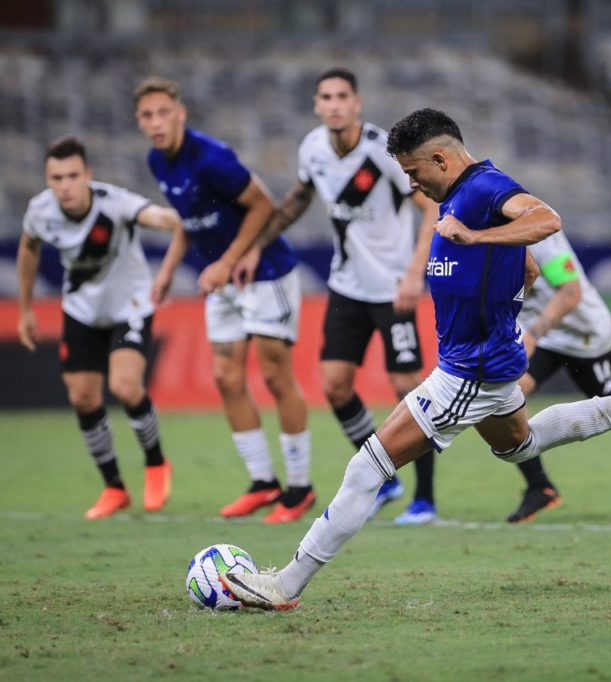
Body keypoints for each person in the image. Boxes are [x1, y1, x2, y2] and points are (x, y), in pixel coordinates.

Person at [220, 108, 611, 610]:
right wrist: (499, 296)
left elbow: (547, 220)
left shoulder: (482, 190)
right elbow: (531, 270)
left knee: (367, 469)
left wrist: (477, 242)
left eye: (413, 172)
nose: (411, 183)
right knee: (524, 445)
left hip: (467, 373)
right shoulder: (461, 196)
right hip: (486, 363)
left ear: (439, 157)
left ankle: (285, 586)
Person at [395, 228, 611, 525]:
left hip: (586, 338)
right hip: (540, 338)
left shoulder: (540, 236)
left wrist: (531, 336)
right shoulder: (476, 234)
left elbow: (569, 293)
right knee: (496, 401)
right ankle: (540, 486)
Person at [240, 68, 438, 521]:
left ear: (357, 103)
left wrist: (414, 273)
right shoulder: (312, 148)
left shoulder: (383, 151)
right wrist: (256, 245)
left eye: (341, 96)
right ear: (316, 105)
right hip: (346, 286)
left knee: (409, 390)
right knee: (334, 385)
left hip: (392, 288)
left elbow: (431, 206)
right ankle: (386, 479)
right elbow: (297, 200)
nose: (333, 104)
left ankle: (424, 498)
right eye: (325, 96)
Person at [135, 76, 315, 523]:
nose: (156, 123)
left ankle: (299, 488)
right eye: (146, 115)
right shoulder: (158, 161)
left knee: (276, 377)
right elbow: (186, 220)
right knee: (225, 376)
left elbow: (263, 205)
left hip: (265, 272)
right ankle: (263, 482)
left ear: (180, 113)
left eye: (162, 112)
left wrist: (228, 260)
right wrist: (168, 271)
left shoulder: (211, 157)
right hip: (222, 280)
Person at [17, 136, 179, 519]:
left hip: (131, 306)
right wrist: (25, 309)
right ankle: (114, 488)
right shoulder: (40, 211)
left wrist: (174, 220)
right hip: (82, 311)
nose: (65, 185)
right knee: (83, 399)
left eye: (73, 175)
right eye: (56, 177)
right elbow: (29, 247)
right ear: (47, 178)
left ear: (88, 175)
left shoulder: (114, 202)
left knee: (125, 387)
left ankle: (156, 463)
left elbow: (155, 217)